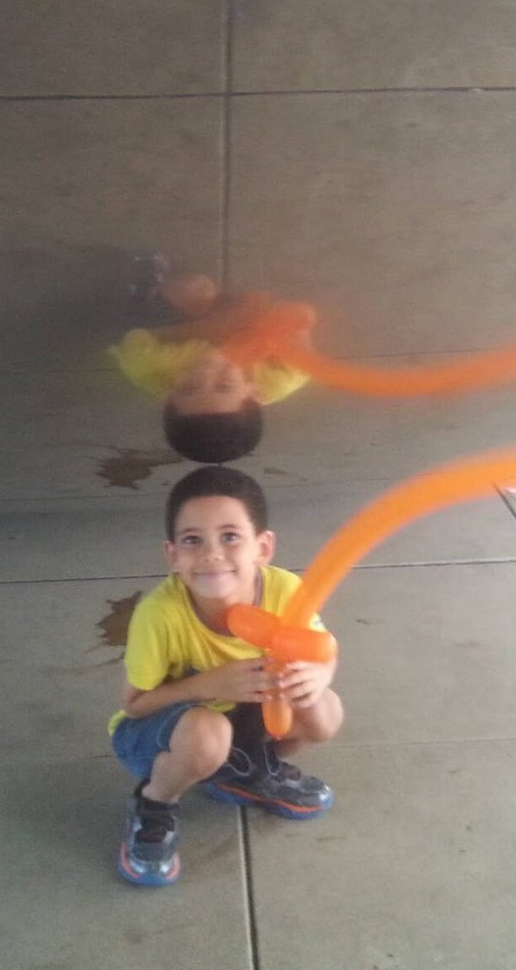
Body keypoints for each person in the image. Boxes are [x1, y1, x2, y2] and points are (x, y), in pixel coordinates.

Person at [109, 465, 343, 886]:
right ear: (173, 555)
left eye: (230, 536)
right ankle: (155, 803)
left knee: (325, 711)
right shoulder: (160, 614)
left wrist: (318, 676)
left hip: (246, 720)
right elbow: (133, 705)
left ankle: (248, 774)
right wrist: (206, 685)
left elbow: (324, 649)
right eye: (192, 540)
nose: (212, 553)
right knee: (207, 733)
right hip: (163, 733)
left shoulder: (286, 592)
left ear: (263, 547)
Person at [110, 257, 309, 463]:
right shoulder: (282, 380)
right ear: (254, 393)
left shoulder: (150, 368)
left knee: (192, 289)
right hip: (246, 323)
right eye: (224, 386)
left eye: (188, 387)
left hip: (186, 325)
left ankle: (148, 288)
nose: (205, 374)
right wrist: (273, 325)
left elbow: (138, 339)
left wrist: (210, 328)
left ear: (167, 397)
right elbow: (300, 326)